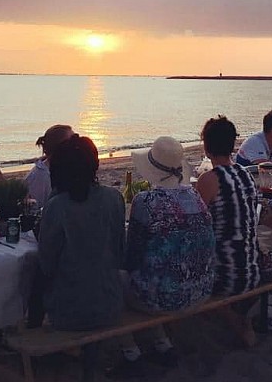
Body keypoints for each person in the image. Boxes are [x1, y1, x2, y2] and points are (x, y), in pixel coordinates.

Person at [110, 136, 215, 375]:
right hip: (200, 290)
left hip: (166, 298)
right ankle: (161, 343)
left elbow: (131, 257)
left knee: (112, 277)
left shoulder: (146, 201)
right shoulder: (196, 197)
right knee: (158, 275)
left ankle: (130, 350)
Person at [38, 135, 126, 331]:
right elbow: (120, 253)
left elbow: (46, 264)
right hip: (111, 305)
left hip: (68, 313)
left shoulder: (57, 206)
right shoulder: (114, 198)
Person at [195, 116, 261, 346]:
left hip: (227, 276)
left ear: (206, 146)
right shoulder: (245, 174)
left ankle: (236, 320)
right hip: (253, 269)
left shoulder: (208, 180)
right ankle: (243, 318)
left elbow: (195, 227)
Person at [23, 124, 74, 208]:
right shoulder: (42, 176)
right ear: (60, 147)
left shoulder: (65, 169)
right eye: (72, 141)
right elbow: (35, 209)